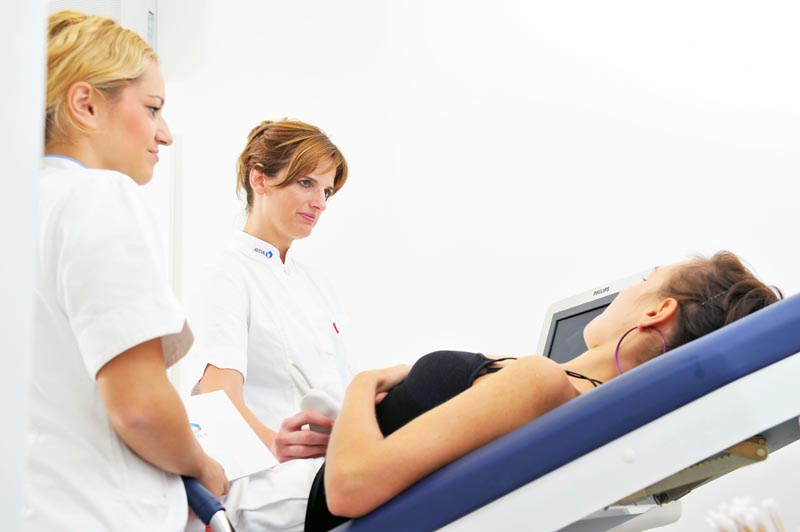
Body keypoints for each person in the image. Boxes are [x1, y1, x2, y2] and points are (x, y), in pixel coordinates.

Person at [304, 251, 782, 532]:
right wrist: (347, 434)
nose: (625, 289)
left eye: (645, 281)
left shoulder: (542, 380)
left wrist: (363, 384)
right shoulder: (556, 390)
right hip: (299, 482)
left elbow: (350, 489)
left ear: (656, 312)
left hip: (280, 513)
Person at [24, 11, 228, 532]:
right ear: (86, 105)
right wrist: (202, 466)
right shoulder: (96, 196)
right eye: (152, 108)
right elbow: (140, 408)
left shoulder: (24, 209)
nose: (166, 134)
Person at [191, 120, 350, 530]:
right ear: (259, 178)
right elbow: (218, 395)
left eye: (326, 190)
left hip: (327, 464)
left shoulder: (316, 285)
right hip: (267, 480)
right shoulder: (229, 273)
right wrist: (276, 446)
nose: (320, 202)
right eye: (306, 183)